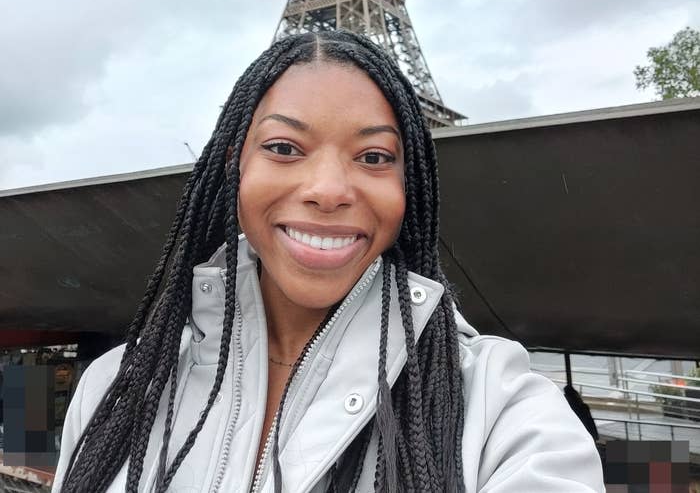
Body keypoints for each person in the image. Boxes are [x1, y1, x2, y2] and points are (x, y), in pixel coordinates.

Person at [53, 30, 604, 492]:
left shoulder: (503, 411)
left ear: (408, 186)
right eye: (285, 148)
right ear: (233, 165)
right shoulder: (114, 388)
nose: (328, 190)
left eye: (373, 157)